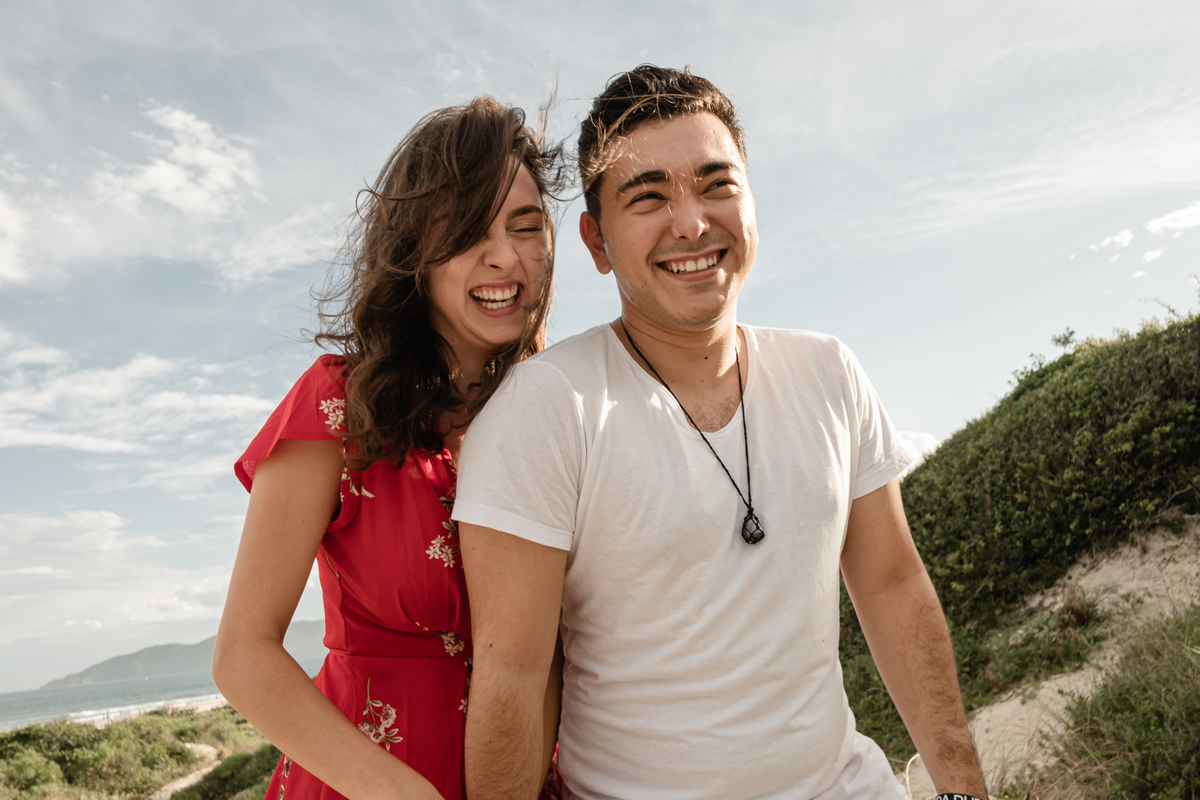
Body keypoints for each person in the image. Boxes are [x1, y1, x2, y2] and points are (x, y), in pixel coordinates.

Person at [454, 66, 990, 800]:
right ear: (596, 241)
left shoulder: (829, 371)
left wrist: (961, 789)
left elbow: (895, 586)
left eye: (717, 184)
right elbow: (511, 675)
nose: (692, 223)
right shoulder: (545, 409)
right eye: (648, 197)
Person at [212, 96, 566, 800]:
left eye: (525, 227)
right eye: (468, 233)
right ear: (415, 255)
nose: (506, 257)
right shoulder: (337, 404)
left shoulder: (553, 416)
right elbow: (243, 656)